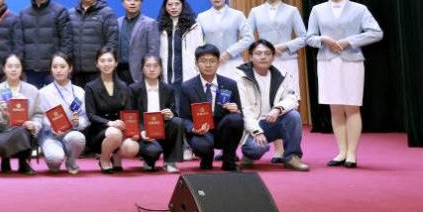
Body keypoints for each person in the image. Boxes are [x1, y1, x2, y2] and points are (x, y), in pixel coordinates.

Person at [305, 0, 383, 168]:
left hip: (352, 61)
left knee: (352, 107)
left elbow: (376, 33)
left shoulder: (359, 9)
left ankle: (351, 154)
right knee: (335, 107)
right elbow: (309, 38)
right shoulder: (318, 10)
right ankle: (341, 151)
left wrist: (349, 41)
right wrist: (324, 39)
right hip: (327, 62)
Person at [236, 40, 310, 171]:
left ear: (273, 56)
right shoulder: (241, 77)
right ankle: (249, 154)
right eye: (258, 53)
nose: (263, 57)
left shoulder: (282, 74)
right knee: (256, 148)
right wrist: (256, 131)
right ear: (251, 56)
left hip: (272, 121)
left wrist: (278, 109)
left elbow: (292, 98)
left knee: (293, 116)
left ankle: (292, 157)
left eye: (267, 53)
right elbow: (244, 109)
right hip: (250, 126)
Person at [177, 43, 245, 171]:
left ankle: (229, 161)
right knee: (202, 146)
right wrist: (193, 128)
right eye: (203, 61)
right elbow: (183, 118)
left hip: (223, 130)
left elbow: (240, 113)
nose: (208, 65)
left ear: (218, 63)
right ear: (196, 64)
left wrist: (236, 110)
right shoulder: (187, 87)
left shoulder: (230, 84)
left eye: (212, 61)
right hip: (200, 131)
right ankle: (206, 158)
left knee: (235, 120)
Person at [247, 0, 308, 96]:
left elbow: (304, 38)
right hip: (263, 61)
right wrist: (262, 50)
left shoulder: (292, 11)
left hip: (287, 60)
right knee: (266, 98)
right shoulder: (255, 12)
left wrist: (284, 46)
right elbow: (247, 37)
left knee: (289, 99)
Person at [84, 47, 142, 173]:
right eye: (102, 61)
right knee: (114, 133)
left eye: (110, 60)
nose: (106, 64)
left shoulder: (123, 86)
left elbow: (128, 112)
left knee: (132, 147)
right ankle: (104, 160)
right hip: (99, 129)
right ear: (97, 64)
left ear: (116, 63)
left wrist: (133, 130)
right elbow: (91, 115)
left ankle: (117, 156)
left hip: (120, 128)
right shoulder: (90, 87)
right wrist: (110, 123)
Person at [0, 54, 41, 175]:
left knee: (22, 131)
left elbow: (39, 115)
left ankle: (23, 162)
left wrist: (34, 124)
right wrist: (2, 114)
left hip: (24, 131)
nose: (13, 69)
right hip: (2, 131)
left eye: (17, 66)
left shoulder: (32, 90)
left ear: (22, 69)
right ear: (3, 69)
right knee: (1, 141)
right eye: (10, 66)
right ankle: (5, 159)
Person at [36, 53, 89, 174]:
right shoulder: (43, 92)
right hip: (50, 135)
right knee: (54, 161)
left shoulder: (79, 92)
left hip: (71, 133)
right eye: (55, 67)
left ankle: (71, 161)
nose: (58, 70)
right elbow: (39, 116)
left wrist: (78, 122)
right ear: (51, 69)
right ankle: (55, 157)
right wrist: (51, 125)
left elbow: (85, 117)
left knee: (78, 138)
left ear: (70, 68)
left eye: (62, 66)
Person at [130, 55, 184, 173]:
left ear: (161, 68)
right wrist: (141, 131)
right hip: (144, 131)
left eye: (155, 66)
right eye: (148, 66)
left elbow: (174, 112)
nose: (152, 69)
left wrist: (170, 115)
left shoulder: (169, 89)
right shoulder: (134, 89)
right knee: (152, 152)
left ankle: (170, 161)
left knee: (177, 121)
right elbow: (131, 116)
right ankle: (148, 160)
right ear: (142, 68)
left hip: (163, 128)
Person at [19, 0, 71, 88]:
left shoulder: (59, 11)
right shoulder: (23, 13)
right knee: (31, 99)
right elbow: (20, 42)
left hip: (53, 70)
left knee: (56, 99)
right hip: (30, 70)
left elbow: (66, 41)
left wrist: (61, 65)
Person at [68, 0, 120, 88]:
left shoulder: (107, 13)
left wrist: (105, 64)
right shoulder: (70, 14)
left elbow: (112, 43)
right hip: (75, 73)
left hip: (98, 71)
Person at [197, 0, 253, 78]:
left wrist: (229, 53)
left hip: (234, 63)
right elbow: (197, 41)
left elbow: (249, 38)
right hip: (210, 64)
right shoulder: (201, 17)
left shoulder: (237, 15)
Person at [158, 0, 204, 86]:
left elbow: (199, 51)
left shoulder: (193, 27)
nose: (173, 7)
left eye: (177, 4)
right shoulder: (159, 28)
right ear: (165, 7)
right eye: (170, 4)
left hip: (188, 76)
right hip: (166, 78)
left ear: (183, 5)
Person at [118, 0, 160, 85]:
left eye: (136, 0)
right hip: (119, 72)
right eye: (129, 0)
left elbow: (153, 51)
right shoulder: (117, 22)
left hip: (139, 72)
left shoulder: (150, 23)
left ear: (141, 3)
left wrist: (149, 70)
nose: (132, 3)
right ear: (123, 3)